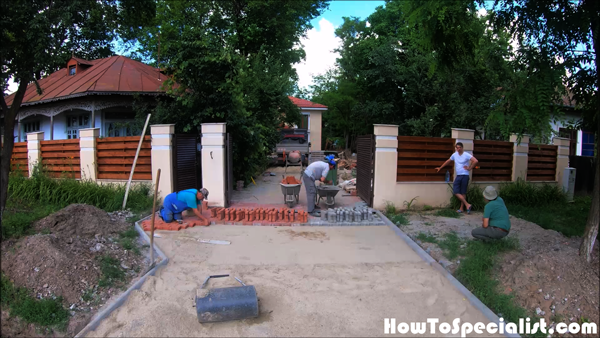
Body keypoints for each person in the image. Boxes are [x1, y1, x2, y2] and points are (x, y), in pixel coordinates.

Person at [436, 142, 478, 213]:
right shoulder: (454, 155)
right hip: (459, 175)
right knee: (456, 191)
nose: (458, 149)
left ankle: (462, 208)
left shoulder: (466, 155)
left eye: (459, 147)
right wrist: (440, 167)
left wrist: (470, 168)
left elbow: (475, 161)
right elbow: (448, 161)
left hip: (465, 175)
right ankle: (467, 205)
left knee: (463, 192)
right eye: (457, 148)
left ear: (462, 148)